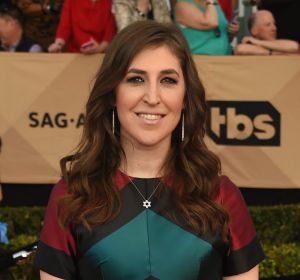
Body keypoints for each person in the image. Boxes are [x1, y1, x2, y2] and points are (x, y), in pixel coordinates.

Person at [34, 20, 264, 279]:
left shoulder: (221, 195)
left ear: (186, 97)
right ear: (112, 94)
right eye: (136, 79)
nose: (152, 97)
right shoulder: (72, 196)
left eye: (168, 80)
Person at [48, 0, 116, 54]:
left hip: (101, 54)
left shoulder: (111, 2)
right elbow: (64, 27)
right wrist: (58, 45)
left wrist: (99, 49)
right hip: (74, 53)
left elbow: (109, 34)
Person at [175, 0, 239, 55]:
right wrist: (210, 1)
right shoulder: (182, 5)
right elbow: (211, 22)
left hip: (225, 58)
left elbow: (224, 36)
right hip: (200, 60)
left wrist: (232, 31)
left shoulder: (213, 3)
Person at [234, 10, 299, 55]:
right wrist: (276, 53)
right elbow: (240, 49)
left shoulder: (279, 44)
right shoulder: (248, 45)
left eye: (274, 24)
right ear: (254, 30)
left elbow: (294, 46)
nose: (274, 28)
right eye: (268, 25)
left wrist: (256, 42)